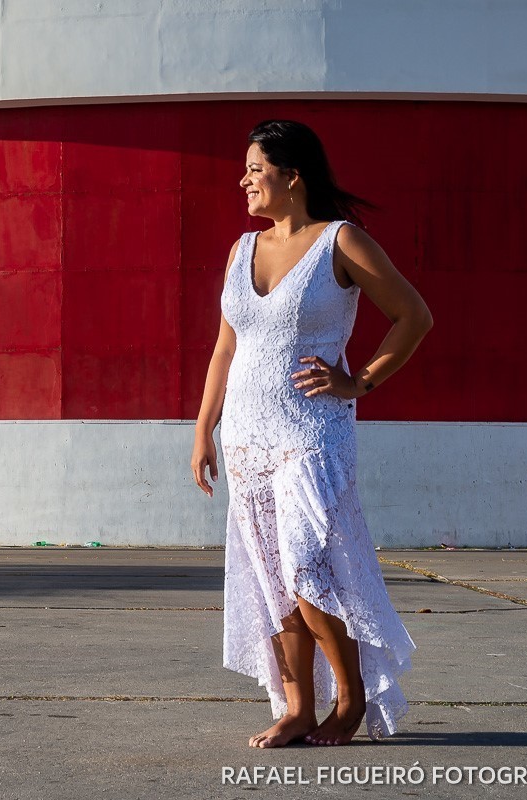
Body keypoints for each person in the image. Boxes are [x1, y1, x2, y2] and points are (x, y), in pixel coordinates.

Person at [191, 120, 433, 748]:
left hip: (310, 430)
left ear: (291, 175)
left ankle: (350, 700)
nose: (243, 179)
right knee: (271, 575)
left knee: (306, 565)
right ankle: (297, 706)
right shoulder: (242, 250)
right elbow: (226, 349)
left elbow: (413, 316)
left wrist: (361, 383)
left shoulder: (340, 242)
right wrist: (203, 429)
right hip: (245, 435)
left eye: (255, 167)